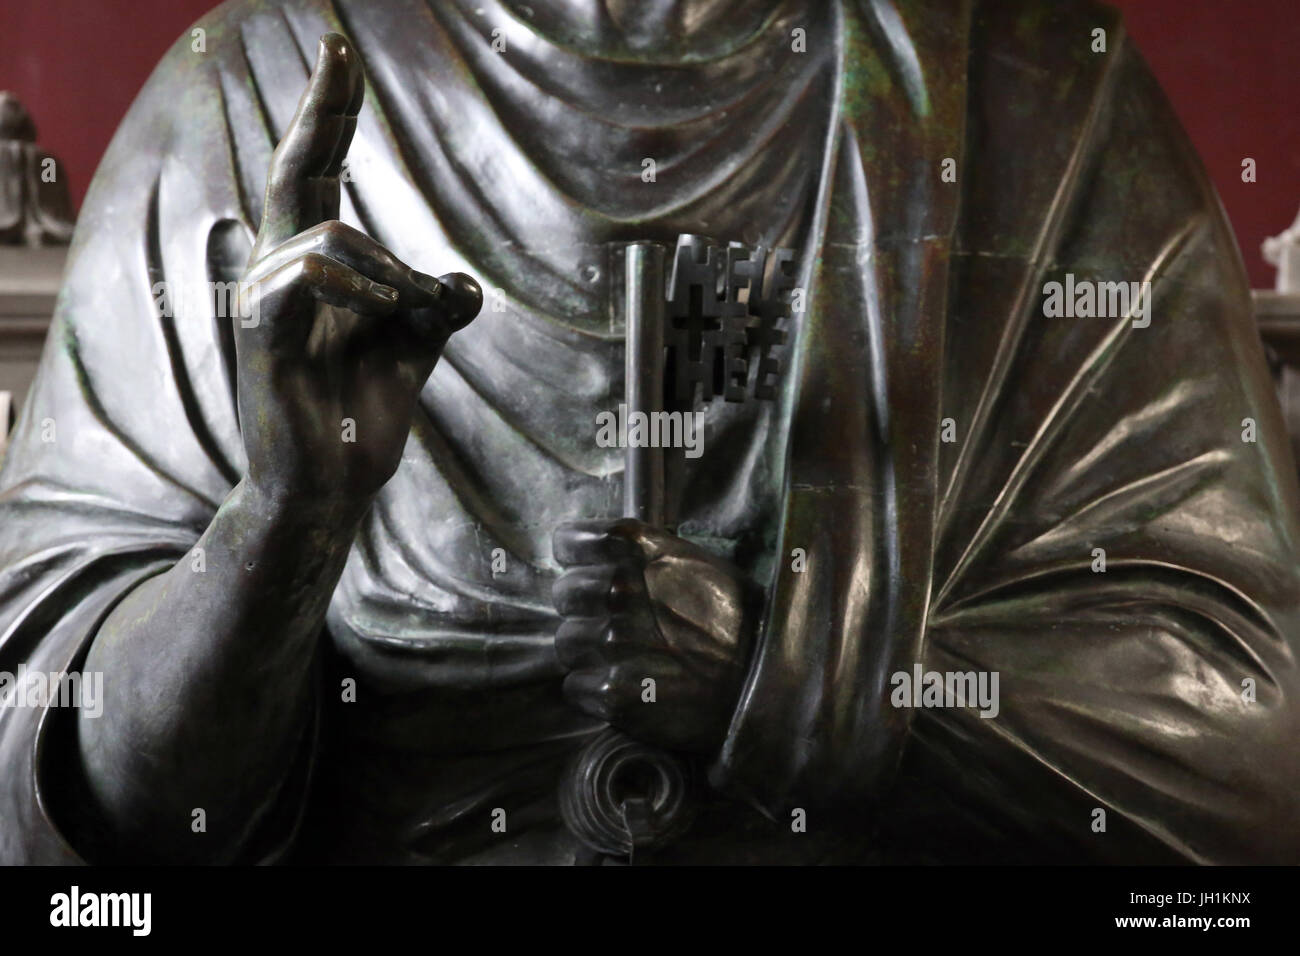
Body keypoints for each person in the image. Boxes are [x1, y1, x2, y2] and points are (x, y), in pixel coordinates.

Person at [1, 0, 1297, 865]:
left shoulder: (1032, 84)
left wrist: (791, 692)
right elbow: (46, 805)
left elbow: (1253, 752)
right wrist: (280, 529)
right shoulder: (247, 90)